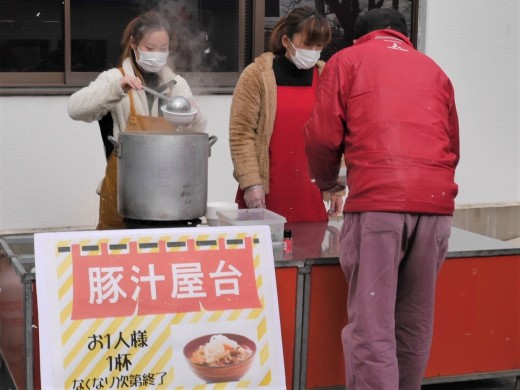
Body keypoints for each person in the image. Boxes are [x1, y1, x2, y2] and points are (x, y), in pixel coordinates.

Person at [304, 8, 460, 390]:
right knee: (415, 319)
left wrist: (328, 183)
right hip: (436, 205)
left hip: (378, 205)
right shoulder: (435, 70)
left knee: (372, 324)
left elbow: (322, 137)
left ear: (358, 37)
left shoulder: (346, 62)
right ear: (405, 35)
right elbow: (452, 145)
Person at [68, 11, 207, 230]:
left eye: (163, 49)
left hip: (169, 200)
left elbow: (195, 134)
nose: (157, 55)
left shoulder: (176, 85)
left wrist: (194, 115)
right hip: (122, 198)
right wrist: (117, 89)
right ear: (133, 43)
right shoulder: (114, 79)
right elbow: (75, 109)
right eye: (150, 49)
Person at [228, 6, 344, 223]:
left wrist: (337, 186)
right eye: (307, 44)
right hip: (265, 193)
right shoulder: (257, 76)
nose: (313, 50)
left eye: (319, 45)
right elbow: (241, 134)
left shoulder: (327, 77)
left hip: (310, 192)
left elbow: (337, 134)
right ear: (285, 41)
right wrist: (251, 183)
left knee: (310, 252)